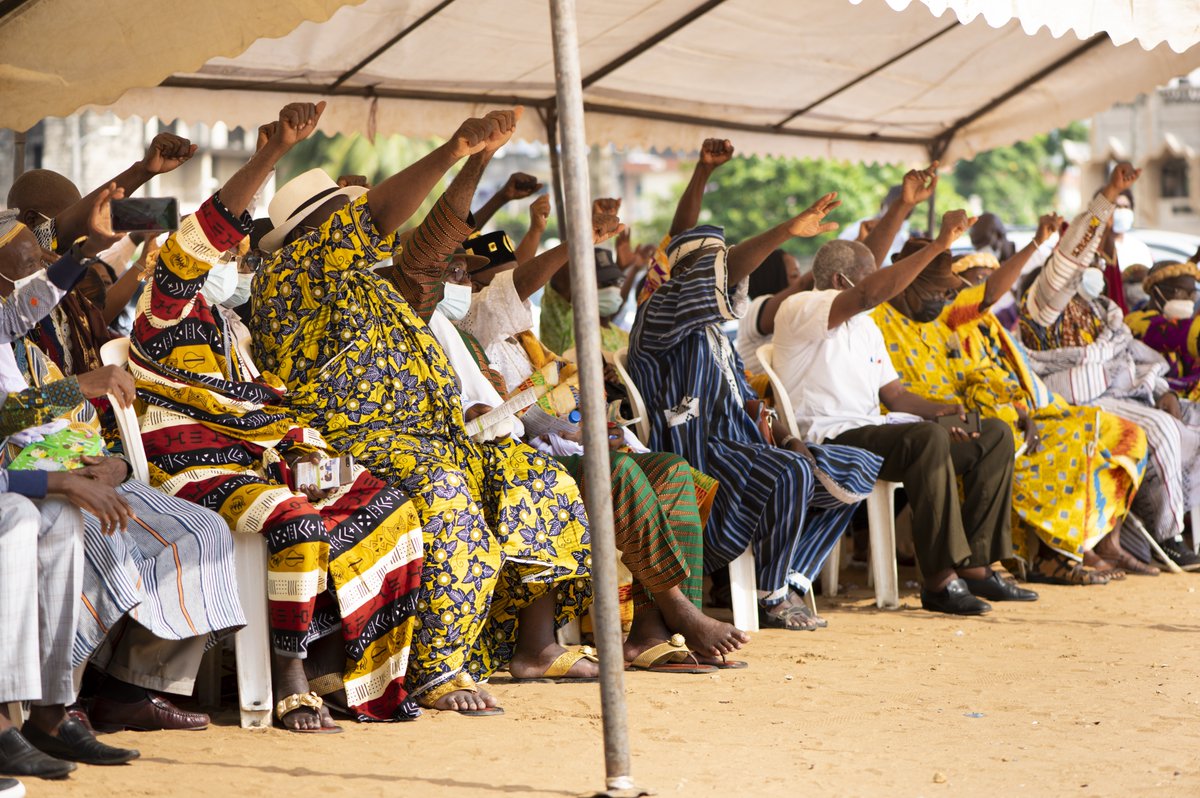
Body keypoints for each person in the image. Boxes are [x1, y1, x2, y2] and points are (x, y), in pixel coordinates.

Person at [251, 105, 598, 716]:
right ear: (316, 233)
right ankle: (439, 670)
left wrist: (478, 159)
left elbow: (437, 237)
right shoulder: (288, 275)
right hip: (350, 441)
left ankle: (532, 647)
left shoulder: (372, 282)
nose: (367, 227)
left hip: (436, 435)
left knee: (541, 479)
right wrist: (453, 148)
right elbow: (386, 214)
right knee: (446, 494)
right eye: (349, 221)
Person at [129, 103, 425, 731]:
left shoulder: (232, 329)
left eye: (236, 250)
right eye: (223, 247)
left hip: (254, 461)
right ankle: (287, 675)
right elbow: (192, 248)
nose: (231, 256)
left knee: (388, 502)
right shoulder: (166, 311)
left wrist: (305, 449)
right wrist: (271, 153)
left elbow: (264, 407)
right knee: (294, 520)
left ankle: (348, 671)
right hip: (186, 467)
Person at [1, 200, 247, 732]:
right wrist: (76, 390)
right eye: (23, 269)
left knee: (202, 531)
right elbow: (8, 420)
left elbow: (36, 309)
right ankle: (59, 700)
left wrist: (104, 463)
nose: (32, 281)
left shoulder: (14, 333)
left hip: (73, 463)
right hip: (26, 483)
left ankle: (131, 688)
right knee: (100, 536)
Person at [772, 165, 1035, 614]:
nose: (880, 287)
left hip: (876, 428)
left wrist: (946, 411)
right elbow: (869, 294)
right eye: (869, 277)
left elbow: (895, 397)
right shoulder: (801, 308)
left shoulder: (864, 327)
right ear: (841, 281)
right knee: (925, 439)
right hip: (829, 437)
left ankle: (975, 564)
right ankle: (938, 579)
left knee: (991, 434)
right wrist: (938, 244)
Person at [876, 163, 1150, 584]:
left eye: (946, 290)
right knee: (1050, 439)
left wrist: (1037, 244)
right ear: (905, 284)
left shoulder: (944, 316)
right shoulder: (875, 315)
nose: (945, 297)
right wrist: (903, 209)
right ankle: (1046, 556)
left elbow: (988, 293)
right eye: (935, 288)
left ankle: (1011, 560)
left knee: (1080, 432)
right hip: (913, 424)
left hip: (967, 414)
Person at [628, 177, 883, 631]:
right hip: (699, 453)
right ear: (693, 277)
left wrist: (786, 436)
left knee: (853, 465)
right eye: (723, 272)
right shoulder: (660, 311)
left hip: (745, 443)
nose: (735, 281)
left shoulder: (716, 335)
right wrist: (786, 229)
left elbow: (747, 400)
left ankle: (793, 575)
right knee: (791, 471)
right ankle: (771, 596)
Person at [1020, 261, 1200, 572]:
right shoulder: (1042, 317)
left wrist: (1163, 392)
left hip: (1130, 389)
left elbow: (1133, 357)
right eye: (1085, 267)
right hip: (1084, 397)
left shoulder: (1103, 313)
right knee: (1161, 430)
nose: (1094, 271)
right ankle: (1169, 537)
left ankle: (1180, 526)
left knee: (1189, 418)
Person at [1126, 260, 1200, 401]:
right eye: (1180, 292)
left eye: (1192, 294)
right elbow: (1173, 332)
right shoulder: (1136, 322)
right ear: (1155, 292)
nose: (1188, 299)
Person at [736, 249, 808, 375]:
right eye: (794, 275)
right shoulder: (755, 309)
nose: (799, 279)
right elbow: (803, 285)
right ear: (772, 278)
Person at [838, 184, 909, 261]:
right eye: (892, 210)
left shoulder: (903, 238)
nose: (897, 218)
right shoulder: (859, 229)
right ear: (882, 206)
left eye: (906, 214)